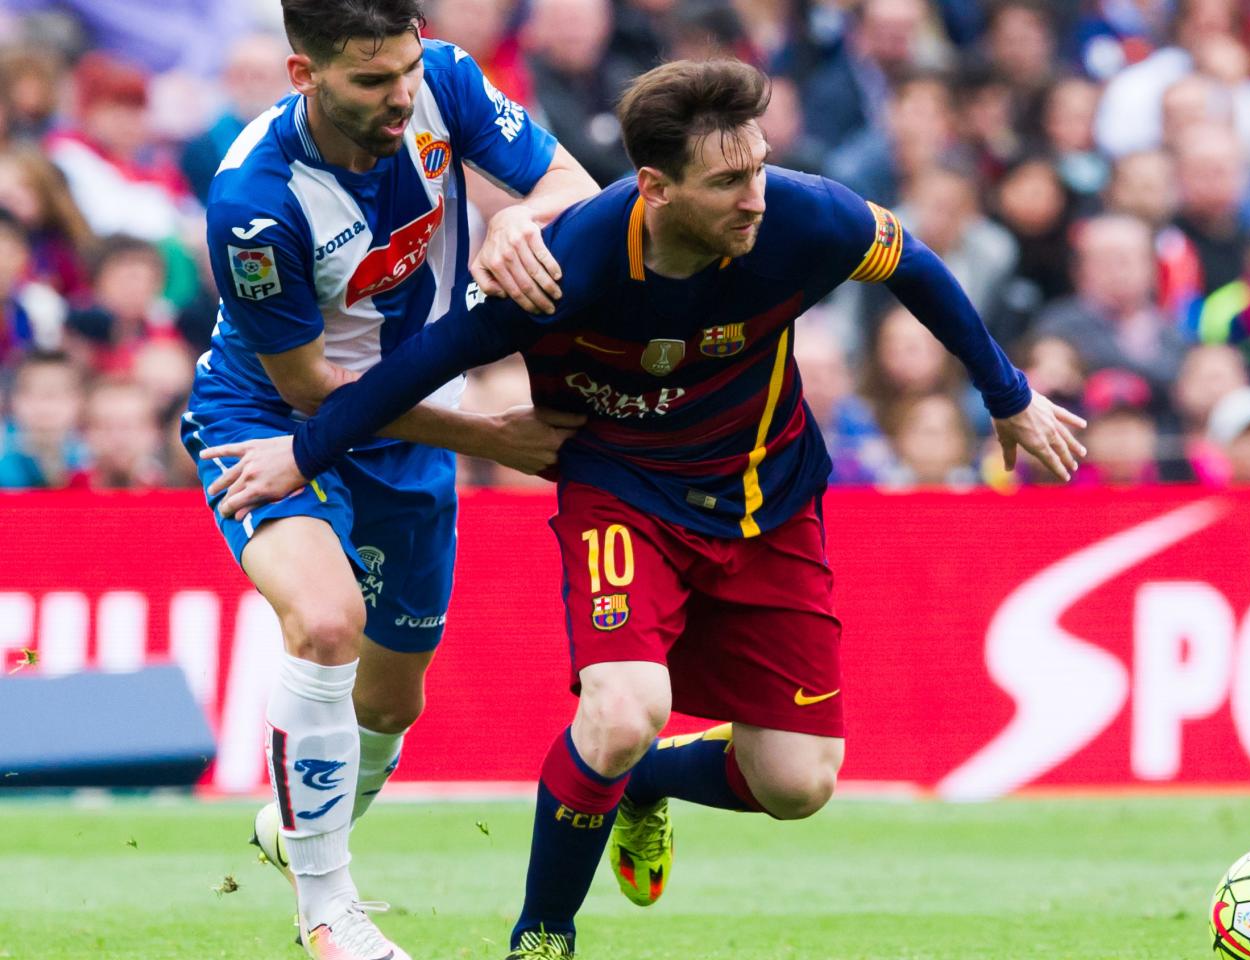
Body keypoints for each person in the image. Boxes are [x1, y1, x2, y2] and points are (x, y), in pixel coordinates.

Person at [199, 58, 1085, 959]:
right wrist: (303, 452)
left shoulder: (806, 215)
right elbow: (427, 361)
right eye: (729, 181)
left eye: (759, 168)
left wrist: (1008, 395)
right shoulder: (569, 264)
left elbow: (917, 265)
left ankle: (646, 782)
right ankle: (542, 936)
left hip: (766, 496)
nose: (756, 198)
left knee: (799, 783)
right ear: (657, 188)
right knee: (622, 713)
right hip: (621, 490)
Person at [178, 2, 598, 958]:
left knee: (391, 704)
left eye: (405, 68)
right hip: (272, 423)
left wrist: (519, 218)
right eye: (371, 81)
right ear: (304, 75)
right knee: (326, 622)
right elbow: (309, 387)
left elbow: (573, 183)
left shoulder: (445, 78)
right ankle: (328, 911)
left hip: (406, 426)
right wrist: (487, 437)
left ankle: (294, 829)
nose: (400, 95)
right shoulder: (255, 201)